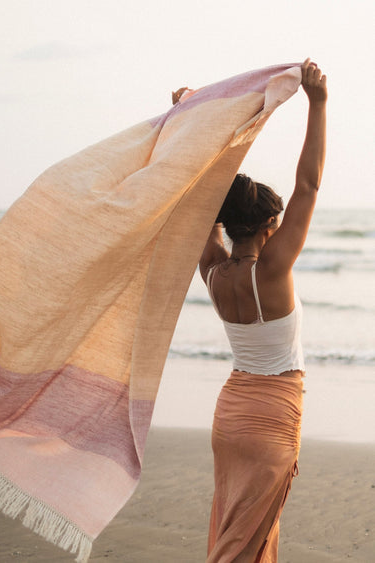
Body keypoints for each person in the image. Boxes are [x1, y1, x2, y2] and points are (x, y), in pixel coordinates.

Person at [199, 58, 327, 562]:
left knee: (237, 535)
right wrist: (318, 103)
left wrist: (200, 132)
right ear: (271, 223)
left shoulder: (212, 269)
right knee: (241, 548)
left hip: (230, 420)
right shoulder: (271, 269)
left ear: (228, 224)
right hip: (273, 417)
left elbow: (203, 206)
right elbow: (310, 187)